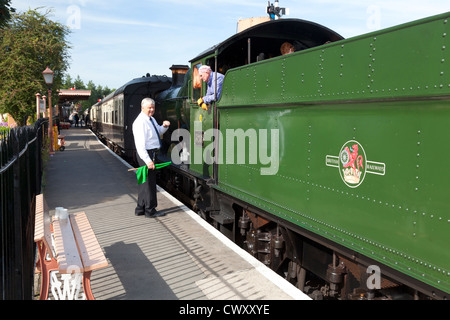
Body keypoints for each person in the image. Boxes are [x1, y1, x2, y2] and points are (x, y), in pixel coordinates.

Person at [132, 98, 170, 218]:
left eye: (153, 107)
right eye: (149, 108)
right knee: (149, 183)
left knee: (144, 182)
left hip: (150, 153)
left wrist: (164, 126)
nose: (152, 110)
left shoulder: (150, 119)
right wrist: (148, 160)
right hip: (146, 154)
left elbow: (157, 131)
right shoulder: (140, 122)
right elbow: (140, 145)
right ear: (142, 107)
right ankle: (150, 210)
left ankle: (140, 208)